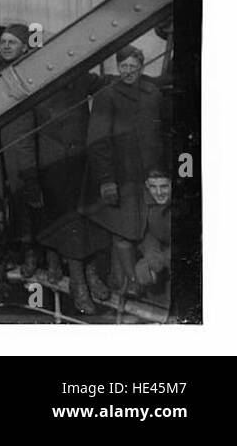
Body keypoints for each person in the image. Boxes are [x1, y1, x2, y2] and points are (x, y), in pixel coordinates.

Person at [81, 44, 163, 296]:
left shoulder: (153, 93)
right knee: (123, 230)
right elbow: (97, 140)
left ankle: (139, 276)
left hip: (148, 176)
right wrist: (107, 180)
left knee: (146, 228)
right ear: (118, 68)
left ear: (142, 67)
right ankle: (130, 282)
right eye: (123, 66)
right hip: (121, 176)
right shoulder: (107, 95)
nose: (128, 71)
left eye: (133, 67)